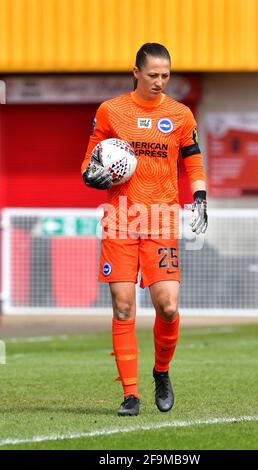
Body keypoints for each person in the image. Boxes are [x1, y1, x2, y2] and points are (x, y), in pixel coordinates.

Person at [81, 43, 207, 417]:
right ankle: (130, 395)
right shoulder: (111, 111)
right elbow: (89, 162)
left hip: (161, 219)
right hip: (120, 219)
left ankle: (162, 372)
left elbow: (193, 160)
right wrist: (94, 175)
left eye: (166, 75)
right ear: (136, 72)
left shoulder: (180, 114)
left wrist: (200, 197)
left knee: (167, 307)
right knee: (123, 307)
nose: (160, 81)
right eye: (153, 74)